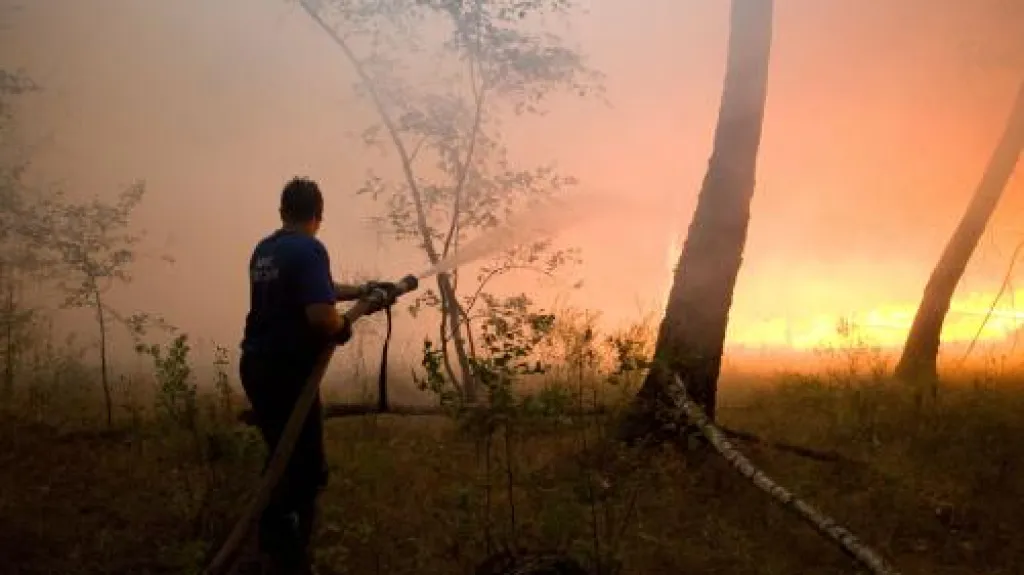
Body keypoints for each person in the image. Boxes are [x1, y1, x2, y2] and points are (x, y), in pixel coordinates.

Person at [238, 176, 388, 574]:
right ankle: (288, 557)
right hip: (287, 373)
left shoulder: (266, 250)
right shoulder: (309, 249)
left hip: (256, 366)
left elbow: (316, 289)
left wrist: (363, 290)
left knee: (281, 457)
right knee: (307, 469)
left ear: (283, 212)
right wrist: (341, 328)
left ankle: (271, 543)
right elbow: (321, 315)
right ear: (318, 216)